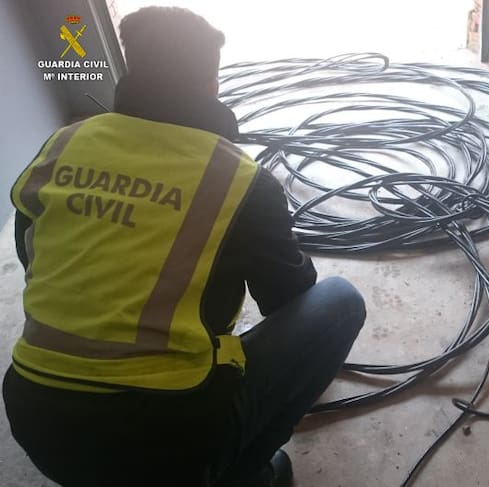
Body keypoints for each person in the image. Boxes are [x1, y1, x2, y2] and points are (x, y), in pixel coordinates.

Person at [2, 7, 366, 487]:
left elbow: (31, 254)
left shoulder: (63, 144)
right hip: (167, 446)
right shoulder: (239, 179)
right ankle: (243, 474)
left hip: (38, 427)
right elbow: (289, 296)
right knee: (340, 302)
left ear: (132, 71)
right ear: (212, 86)